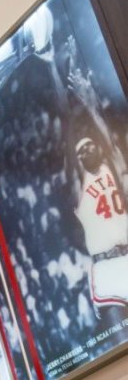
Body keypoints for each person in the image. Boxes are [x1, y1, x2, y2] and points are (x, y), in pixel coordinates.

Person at [73, 132, 128, 310]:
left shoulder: (112, 170)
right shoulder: (79, 185)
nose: (86, 150)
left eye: (89, 145)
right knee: (119, 333)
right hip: (106, 265)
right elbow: (72, 166)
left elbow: (112, 147)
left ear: (97, 147)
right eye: (81, 150)